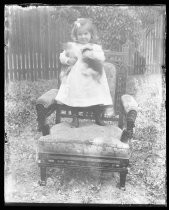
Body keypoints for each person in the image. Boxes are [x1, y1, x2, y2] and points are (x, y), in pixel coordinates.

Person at [55, 18, 113, 127]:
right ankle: (75, 118)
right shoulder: (73, 47)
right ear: (76, 36)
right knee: (75, 94)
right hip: (77, 78)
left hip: (92, 78)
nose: (83, 37)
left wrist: (92, 55)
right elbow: (62, 56)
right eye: (80, 34)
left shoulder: (95, 47)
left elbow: (102, 58)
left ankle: (98, 117)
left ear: (91, 34)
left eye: (85, 33)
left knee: (97, 95)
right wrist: (68, 60)